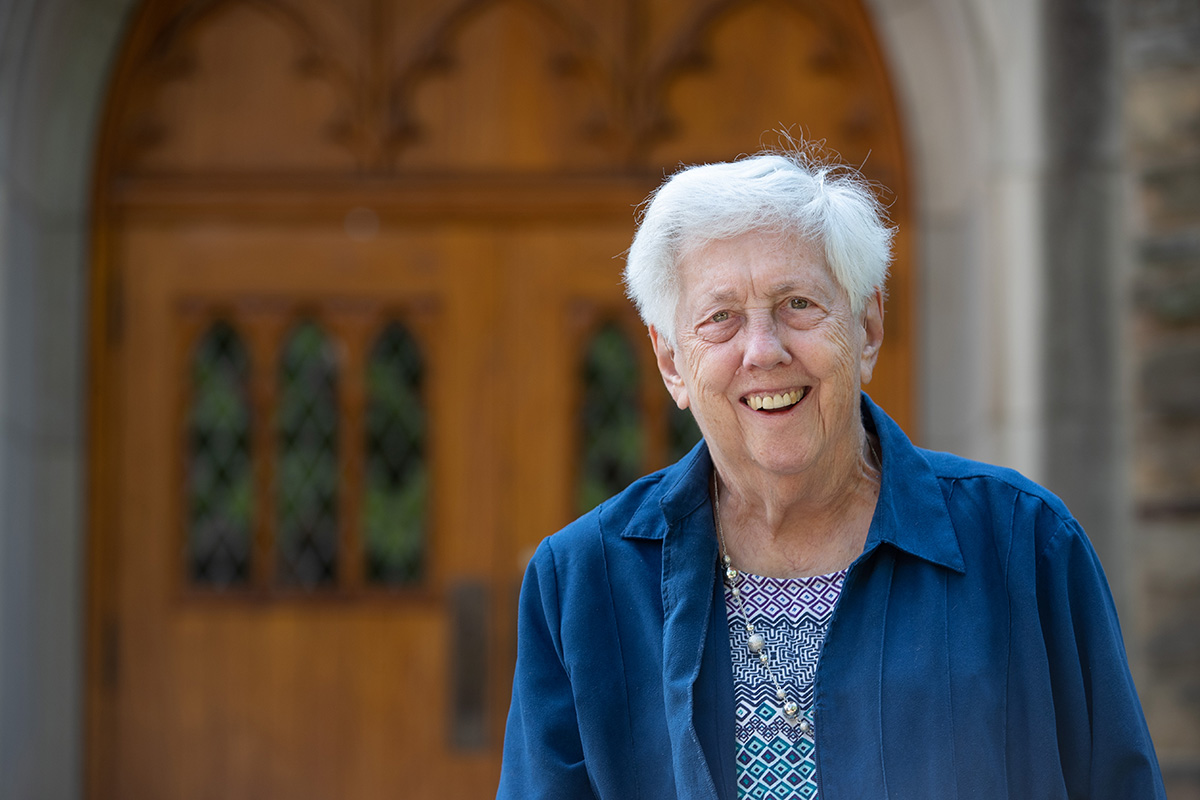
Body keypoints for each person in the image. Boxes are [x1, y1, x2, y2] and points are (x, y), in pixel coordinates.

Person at [497, 149, 1165, 799]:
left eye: (798, 304)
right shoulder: (581, 583)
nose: (763, 351)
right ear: (673, 362)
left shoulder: (1027, 547)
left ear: (868, 324)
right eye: (721, 318)